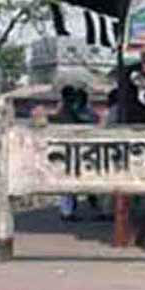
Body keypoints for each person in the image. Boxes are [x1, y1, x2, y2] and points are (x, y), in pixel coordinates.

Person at [50, 86, 97, 221]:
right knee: (67, 184)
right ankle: (67, 212)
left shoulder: (73, 109)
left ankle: (70, 209)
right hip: (67, 150)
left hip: (76, 151)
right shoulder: (66, 110)